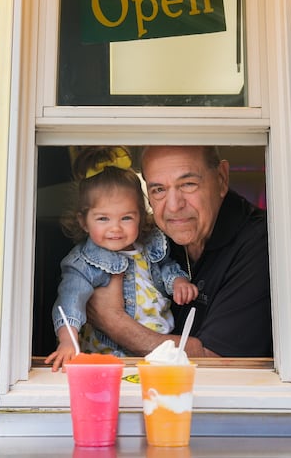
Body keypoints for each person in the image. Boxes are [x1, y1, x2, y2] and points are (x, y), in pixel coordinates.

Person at [86, 146, 272, 358]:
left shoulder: (261, 241)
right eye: (158, 190)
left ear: (221, 178)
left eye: (188, 184)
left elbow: (214, 359)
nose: (173, 206)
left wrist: (113, 322)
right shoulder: (151, 240)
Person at [45, 146, 198, 371]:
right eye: (103, 218)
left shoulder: (149, 247)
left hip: (157, 354)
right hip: (108, 359)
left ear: (140, 216)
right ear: (83, 221)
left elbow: (166, 267)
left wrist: (178, 282)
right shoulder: (84, 262)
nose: (115, 228)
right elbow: (70, 301)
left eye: (126, 217)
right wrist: (68, 340)